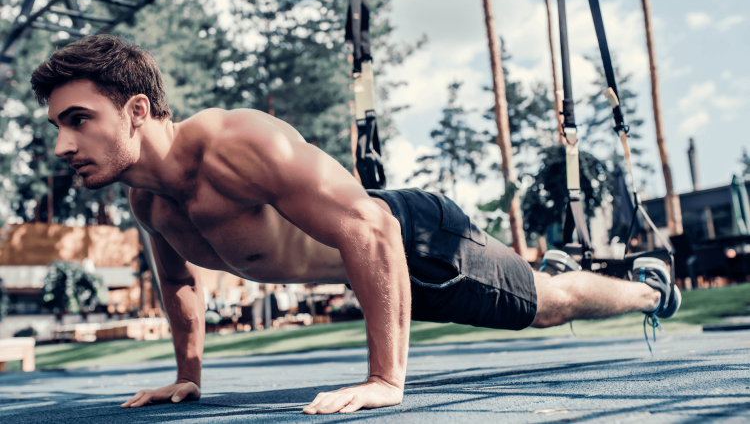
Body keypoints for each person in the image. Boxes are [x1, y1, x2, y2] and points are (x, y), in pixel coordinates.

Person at [31, 34, 680, 415]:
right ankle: (553, 273)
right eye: (57, 125)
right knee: (539, 293)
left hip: (412, 238)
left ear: (137, 109)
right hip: (370, 272)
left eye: (78, 119)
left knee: (547, 306)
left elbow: (371, 229)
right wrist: (190, 374)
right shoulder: (151, 202)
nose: (62, 144)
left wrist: (384, 380)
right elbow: (180, 284)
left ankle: (654, 286)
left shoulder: (235, 144)